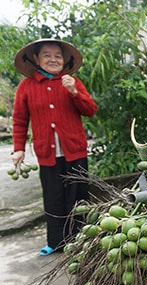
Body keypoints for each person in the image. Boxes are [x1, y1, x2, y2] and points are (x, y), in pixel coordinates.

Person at [11, 39, 98, 256]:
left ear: (65, 59)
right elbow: (20, 119)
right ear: (36, 59)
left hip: (75, 150)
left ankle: (79, 240)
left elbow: (90, 110)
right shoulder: (27, 86)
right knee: (53, 196)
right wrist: (18, 148)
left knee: (77, 196)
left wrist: (74, 93)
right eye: (47, 55)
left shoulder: (72, 82)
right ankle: (56, 242)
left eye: (58, 55)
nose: (53, 59)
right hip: (47, 153)